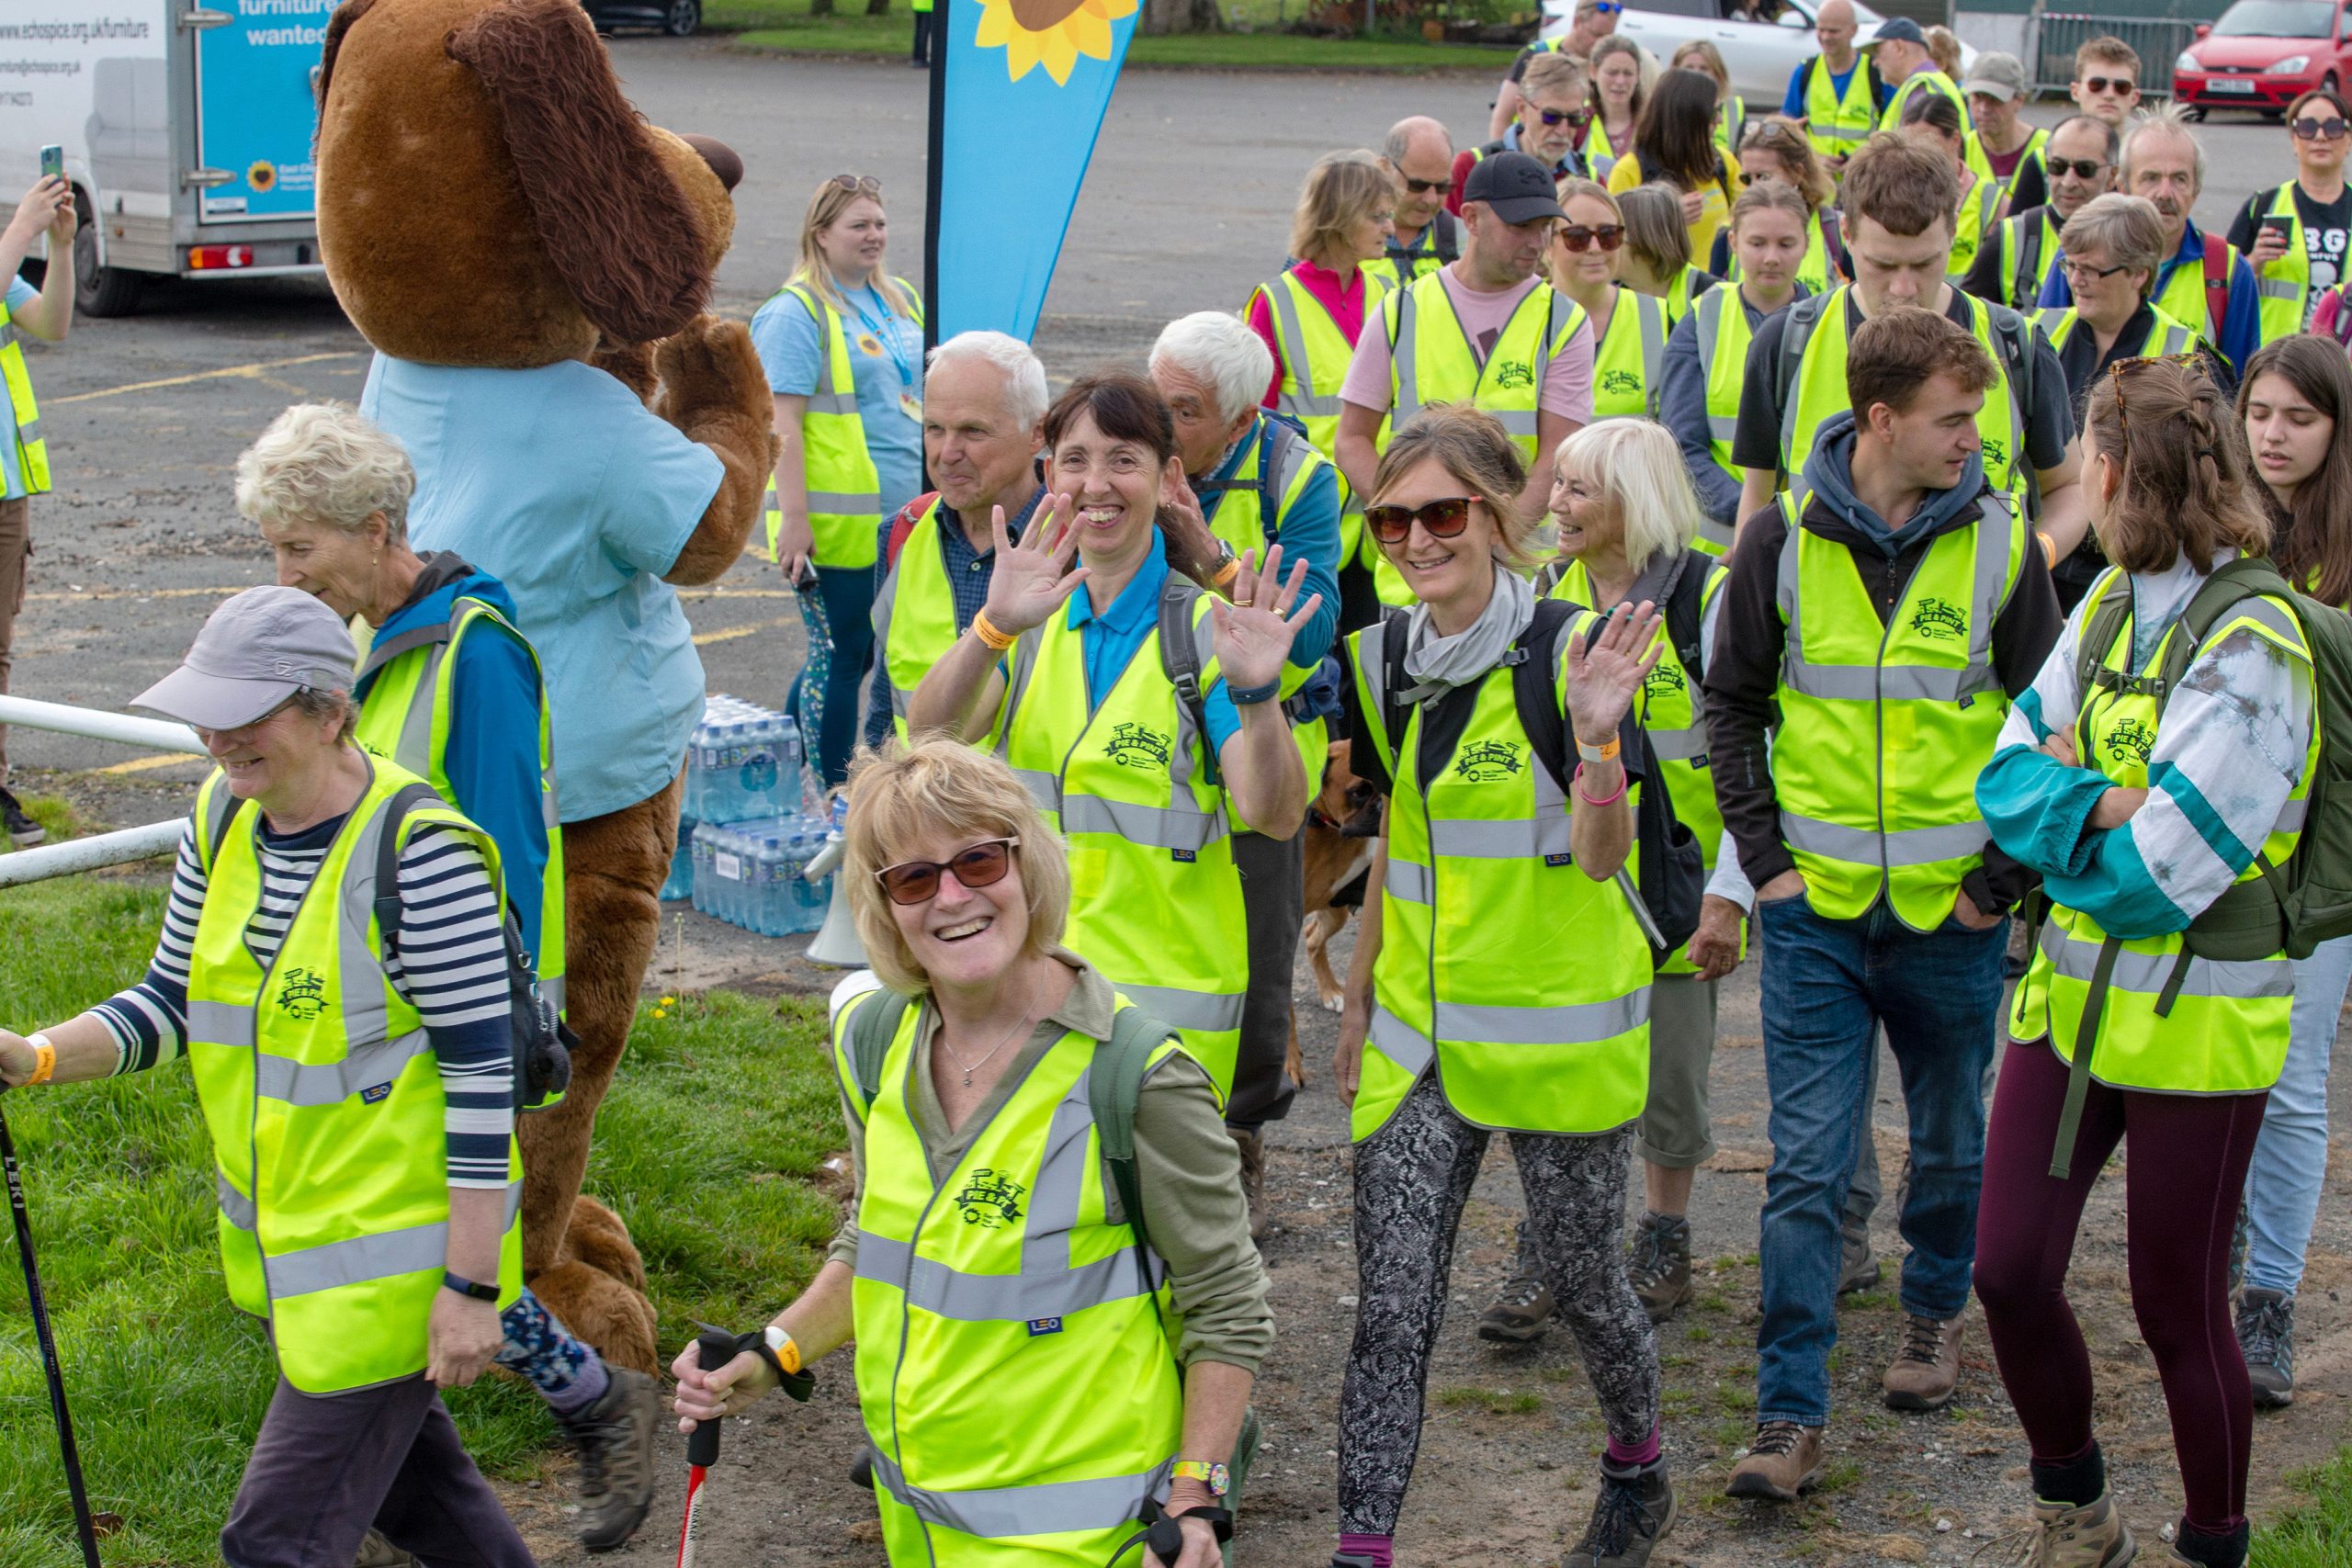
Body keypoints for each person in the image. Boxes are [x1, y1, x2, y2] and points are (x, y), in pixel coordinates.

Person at [0, 586, 537, 1568]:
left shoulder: (424, 859)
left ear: (331, 711)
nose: (218, 737)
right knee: (429, 1503)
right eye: (208, 710)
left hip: (393, 1275)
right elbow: (170, 1001)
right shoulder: (224, 815)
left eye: (247, 715)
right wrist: (33, 1058)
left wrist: (469, 1285)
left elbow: (481, 1084)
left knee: (274, 1544)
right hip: (303, 1264)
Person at [672, 739, 1271, 1568]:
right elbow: (881, 1240)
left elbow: (1227, 1305)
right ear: (885, 907)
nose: (952, 896)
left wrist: (1198, 1498)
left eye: (979, 861)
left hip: (1094, 1542)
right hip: (921, 1528)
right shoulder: (881, 1036)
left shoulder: (1136, 1076)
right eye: (914, 878)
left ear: (1029, 868)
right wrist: (777, 1348)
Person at [240, 405, 660, 1552]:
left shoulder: (471, 651)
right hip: (377, 1008)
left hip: (442, 1017)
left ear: (377, 530)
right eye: (273, 549)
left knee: (425, 1259)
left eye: (300, 549)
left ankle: (559, 1408)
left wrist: (501, 1030)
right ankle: (576, 1407)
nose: (284, 574)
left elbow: (507, 854)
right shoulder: (364, 643)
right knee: (416, 1257)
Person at [1710, 308, 2064, 1500]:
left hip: (1950, 925)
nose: (1974, 439)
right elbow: (1733, 706)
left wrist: (1997, 887)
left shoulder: (2005, 548)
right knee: (1806, 1167)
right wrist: (1765, 865)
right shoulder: (1775, 545)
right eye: (1954, 420)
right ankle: (1787, 1413)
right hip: (1816, 919)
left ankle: (1928, 1317)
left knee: (1953, 1147)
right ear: (1881, 421)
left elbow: (2048, 734)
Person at [1973, 355, 2310, 1568]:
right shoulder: (2113, 600)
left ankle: (2214, 1541)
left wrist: (2079, 806)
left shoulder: (2255, 640)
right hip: (2068, 999)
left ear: (2121, 471)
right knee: (2007, 1267)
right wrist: (2104, 801)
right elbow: (1999, 781)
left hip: (2195, 1022)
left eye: (2085, 463)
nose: (2074, 482)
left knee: (2176, 1307)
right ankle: (2078, 1509)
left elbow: (2166, 873)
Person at [1331, 407, 1672, 1568]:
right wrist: (1359, 996)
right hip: (1420, 1046)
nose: (1417, 540)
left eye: (1442, 512)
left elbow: (1600, 860)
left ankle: (1637, 1461)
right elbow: (1399, 841)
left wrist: (1595, 747)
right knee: (1390, 1311)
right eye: (1393, 519)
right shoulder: (1378, 656)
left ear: (1500, 511)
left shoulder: (1578, 650)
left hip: (1554, 1043)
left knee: (1586, 1289)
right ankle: (1362, 1547)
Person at [910, 373, 1316, 1100]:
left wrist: (1257, 695)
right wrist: (991, 626)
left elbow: (1275, 813)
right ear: (1049, 475)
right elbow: (930, 735)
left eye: (1123, 459)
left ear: (1167, 477)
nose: (1097, 484)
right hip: (1035, 1003)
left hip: (1165, 1028)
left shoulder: (1202, 631)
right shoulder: (1028, 626)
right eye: (1076, 459)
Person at [1549, 420, 1753, 1325]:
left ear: (1631, 502)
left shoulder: (1705, 600)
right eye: (1556, 484)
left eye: (1577, 489)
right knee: (1564, 1069)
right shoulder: (1543, 600)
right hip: (1572, 887)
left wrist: (1730, 896)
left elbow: (1750, 753)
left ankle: (1664, 1233)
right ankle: (1553, 1243)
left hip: (1674, 887)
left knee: (1670, 1076)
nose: (1554, 503)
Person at [1150, 311, 1343, 1231]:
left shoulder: (1298, 478)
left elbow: (1309, 638)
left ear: (1237, 421)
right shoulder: (1131, 453)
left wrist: (1212, 560)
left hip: (1264, 755)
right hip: (1151, 745)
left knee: (1257, 966)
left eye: (1180, 410)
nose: (1157, 423)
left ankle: (1241, 1158)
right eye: (1154, 396)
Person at [1731, 132, 2084, 558]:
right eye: (1882, 265)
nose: (1903, 288)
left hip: (1975, 620)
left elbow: (2069, 486)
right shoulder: (1786, 344)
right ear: (1847, 233)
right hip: (1819, 619)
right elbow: (1757, 497)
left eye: (1924, 264)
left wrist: (2031, 560)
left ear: (1953, 232)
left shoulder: (2015, 345)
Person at [2232, 336, 2352, 1410]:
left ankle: (2267, 1299)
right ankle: (2211, 1264)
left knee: (2291, 1082)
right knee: (2207, 1065)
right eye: (2259, 412)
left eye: (2298, 418)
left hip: (2317, 863)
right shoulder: (2213, 525)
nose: (2273, 434)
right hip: (2213, 849)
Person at [1336, 151, 1597, 607]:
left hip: (1516, 578)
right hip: (1414, 583)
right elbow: (1353, 440)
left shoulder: (1564, 321)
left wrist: (1495, 537)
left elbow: (1558, 453)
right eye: (1520, 226)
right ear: (1471, 219)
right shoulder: (1401, 311)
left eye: (1544, 226)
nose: (1536, 241)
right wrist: (1412, 524)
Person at [752, 173, 926, 788]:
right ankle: (829, 791)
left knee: (859, 650)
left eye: (879, 223)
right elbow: (783, 427)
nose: (874, 235)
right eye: (859, 225)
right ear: (821, 235)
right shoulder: (795, 314)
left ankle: (768, 765)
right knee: (843, 651)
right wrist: (793, 519)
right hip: (834, 522)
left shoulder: (900, 298)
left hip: (901, 512)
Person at [2030, 197, 2222, 617]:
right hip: (2045, 557)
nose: (2075, 280)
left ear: (2139, 273)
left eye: (2092, 270)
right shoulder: (2037, 332)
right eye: (2069, 266)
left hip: (2135, 570)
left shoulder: (2184, 354)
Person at [866, 331, 1048, 745]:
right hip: (918, 806)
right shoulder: (903, 531)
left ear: (1036, 433)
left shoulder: (1085, 542)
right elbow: (885, 699)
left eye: (973, 431)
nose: (947, 452)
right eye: (934, 428)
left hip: (1021, 810)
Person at [1253, 153, 1399, 633]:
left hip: (1381, 523)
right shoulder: (1274, 301)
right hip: (1310, 524)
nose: (1390, 227)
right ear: (1338, 218)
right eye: (1376, 216)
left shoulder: (1391, 295)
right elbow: (1256, 421)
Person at [2041, 112, 2260, 378]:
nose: (2165, 193)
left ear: (2196, 189)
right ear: (2122, 186)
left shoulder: (2227, 270)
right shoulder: (2079, 258)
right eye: (2151, 178)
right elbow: (2049, 351)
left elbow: (2239, 390)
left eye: (2179, 179)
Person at [1669, 179, 1816, 541]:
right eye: (1756, 243)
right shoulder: (1702, 319)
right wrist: (1755, 513)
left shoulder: (1830, 322)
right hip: (1716, 538)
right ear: (1733, 243)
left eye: (1786, 244)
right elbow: (1681, 443)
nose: (1771, 257)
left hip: (1810, 531)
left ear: (1806, 246)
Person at [0, 173, 74, 848]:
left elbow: (51, 323)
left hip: (4, 491)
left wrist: (61, 248)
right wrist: (21, 231)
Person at [2227, 87, 2351, 341]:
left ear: (2348, 138)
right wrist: (2253, 263)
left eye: (2333, 127)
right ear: (2294, 140)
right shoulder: (2264, 206)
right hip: (2277, 361)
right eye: (2307, 127)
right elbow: (2219, 287)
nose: (2320, 136)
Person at [1962, 113, 2118, 311]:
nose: (2068, 182)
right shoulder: (2013, 236)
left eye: (2084, 169)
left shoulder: (2128, 240)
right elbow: (1965, 320)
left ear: (2112, 176)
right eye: (2057, 167)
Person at [1548, 180, 1669, 423]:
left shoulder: (1656, 317)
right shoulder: (1521, 316)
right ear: (1547, 243)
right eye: (1577, 237)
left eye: (1608, 235)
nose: (1595, 248)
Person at [1608, 69, 1742, 266]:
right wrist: (1665, 218)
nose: (1720, 120)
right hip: (1660, 291)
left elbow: (1750, 217)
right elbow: (1614, 243)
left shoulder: (1722, 162)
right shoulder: (1631, 170)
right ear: (1686, 119)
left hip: (1716, 290)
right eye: (1712, 114)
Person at [1711, 118, 1844, 291]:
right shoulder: (1726, 237)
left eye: (1763, 177)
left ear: (1797, 173)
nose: (1753, 187)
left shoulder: (1836, 231)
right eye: (1746, 179)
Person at [1452, 51, 1592, 208]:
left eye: (1574, 118)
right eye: (1551, 117)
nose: (1563, 130)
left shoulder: (1590, 179)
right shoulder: (1470, 167)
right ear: (1522, 109)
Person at [1900, 93, 2004, 287]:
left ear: (1955, 139)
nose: (1918, 154)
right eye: (1910, 144)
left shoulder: (1991, 200)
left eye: (1928, 144)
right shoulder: (1895, 191)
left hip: (1964, 311)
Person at [1491, 0, 1623, 140]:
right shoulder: (1537, 54)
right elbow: (1502, 117)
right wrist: (1501, 157)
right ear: (1577, 22)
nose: (1601, 43)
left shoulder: (1606, 67)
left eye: (1608, 37)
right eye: (1596, 35)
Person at [1783, 0, 1885, 175]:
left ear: (1853, 30)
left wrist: (1863, 158)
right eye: (1820, 29)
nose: (1825, 37)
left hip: (1863, 179)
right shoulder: (1805, 71)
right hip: (1818, 182)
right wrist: (1814, 158)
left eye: (1834, 31)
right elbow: (1787, 128)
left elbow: (1895, 129)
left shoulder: (1874, 73)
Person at [1373, 117, 1464, 290]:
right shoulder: (1343, 237)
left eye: (1442, 186)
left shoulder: (1467, 242)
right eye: (1417, 185)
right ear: (1384, 168)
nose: (1431, 199)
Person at [1618, 184, 1720, 326]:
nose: (1599, 248)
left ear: (1647, 242)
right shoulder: (1603, 299)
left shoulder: (1716, 298)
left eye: (1611, 238)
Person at [1962, 53, 2047, 209]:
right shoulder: (1961, 150)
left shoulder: (2049, 148)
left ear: (2019, 100)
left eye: (1994, 99)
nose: (1983, 108)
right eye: (1977, 97)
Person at [1866, 17, 1964, 135]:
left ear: (1899, 48)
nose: (1875, 62)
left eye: (1878, 52)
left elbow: (1916, 151)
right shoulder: (1936, 81)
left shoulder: (1921, 88)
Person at [1667, 39, 1743, 160]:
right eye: (1689, 68)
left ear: (1718, 74)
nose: (1696, 75)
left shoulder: (1734, 107)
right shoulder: (1665, 107)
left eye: (1704, 69)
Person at [1583, 35, 1645, 183]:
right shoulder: (1578, 120)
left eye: (1628, 73)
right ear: (1593, 72)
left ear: (1638, 76)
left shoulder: (1652, 123)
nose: (1620, 81)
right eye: (1612, 72)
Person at [2067, 35, 2143, 130]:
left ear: (2134, 97)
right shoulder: (2052, 143)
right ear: (2075, 91)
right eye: (2097, 84)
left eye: (2122, 87)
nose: (2109, 95)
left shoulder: (2152, 144)